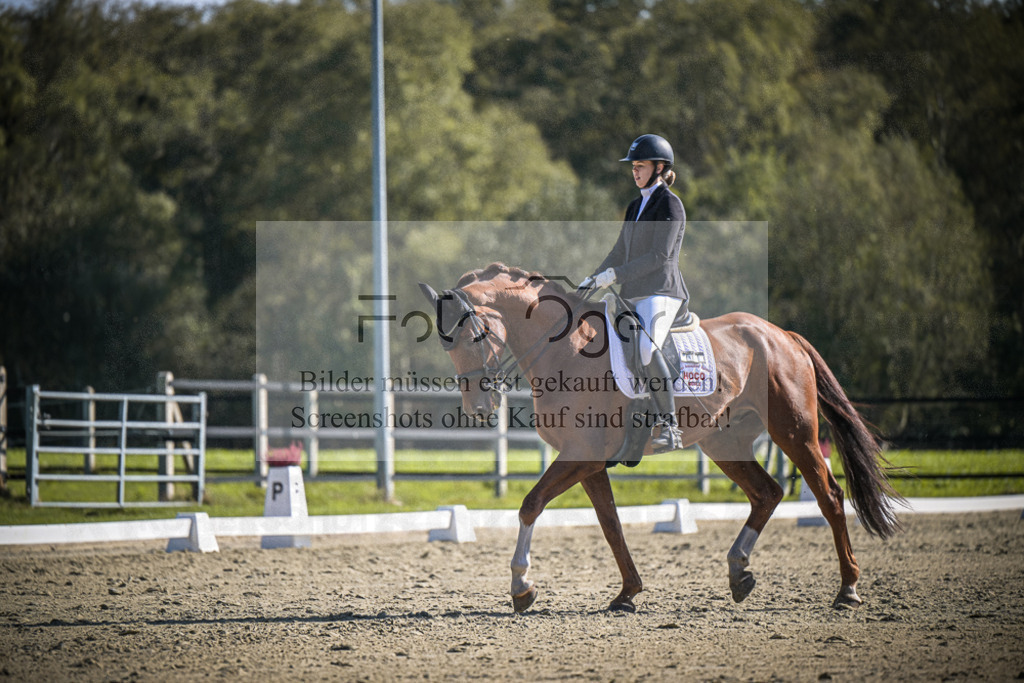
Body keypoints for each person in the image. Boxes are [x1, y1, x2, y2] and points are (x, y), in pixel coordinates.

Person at [577, 134, 688, 451]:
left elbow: (659, 257)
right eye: (633, 166)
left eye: (640, 166)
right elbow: (619, 251)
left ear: (659, 167)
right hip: (632, 293)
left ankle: (670, 426)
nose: (635, 171)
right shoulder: (634, 206)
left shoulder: (671, 205)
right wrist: (594, 277)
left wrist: (616, 275)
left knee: (646, 350)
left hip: (662, 293)